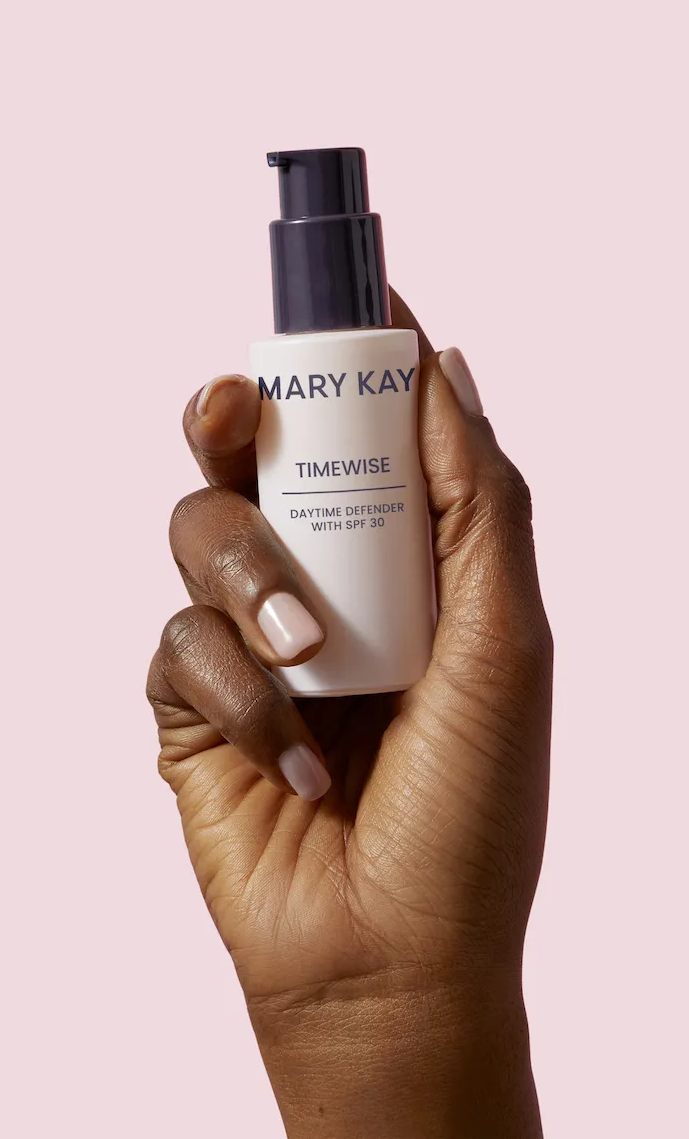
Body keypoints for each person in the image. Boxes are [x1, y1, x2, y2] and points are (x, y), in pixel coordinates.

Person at [147, 293, 553, 1138]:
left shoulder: (378, 357)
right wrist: (359, 1012)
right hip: (312, 797)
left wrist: (415, 992)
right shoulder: (311, 363)